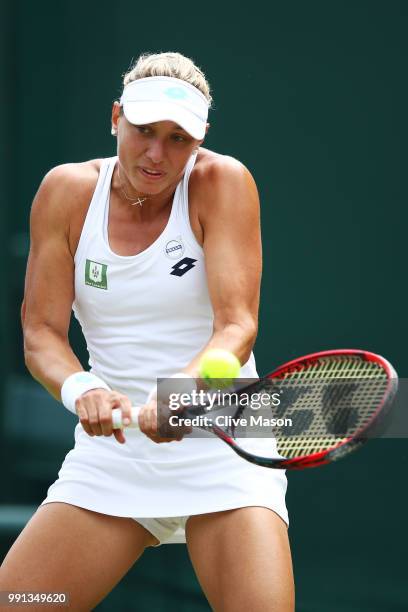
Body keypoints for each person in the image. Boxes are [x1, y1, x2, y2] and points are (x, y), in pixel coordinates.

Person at [0, 52, 294, 611]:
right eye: (143, 131)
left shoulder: (223, 182)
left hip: (222, 441)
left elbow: (237, 326)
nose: (157, 154)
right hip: (115, 455)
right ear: (115, 118)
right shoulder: (65, 192)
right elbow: (40, 333)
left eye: (178, 139)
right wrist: (82, 389)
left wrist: (181, 393)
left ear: (200, 140)